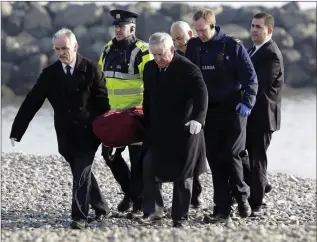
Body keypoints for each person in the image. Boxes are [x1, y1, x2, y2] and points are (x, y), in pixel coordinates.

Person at [10, 28, 112, 229]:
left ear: (75, 47)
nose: (60, 53)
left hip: (88, 132)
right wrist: (17, 131)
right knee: (80, 171)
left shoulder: (92, 69)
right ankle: (101, 207)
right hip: (64, 135)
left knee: (81, 171)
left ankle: (79, 217)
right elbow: (32, 102)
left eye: (64, 48)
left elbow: (103, 104)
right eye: (57, 49)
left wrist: (110, 135)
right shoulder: (50, 74)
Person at [185, 8, 258, 222]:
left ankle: (242, 197)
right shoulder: (194, 46)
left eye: (202, 30)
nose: (199, 34)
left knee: (232, 155)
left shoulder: (232, 46)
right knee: (215, 161)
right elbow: (189, 78)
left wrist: (247, 102)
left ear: (212, 25)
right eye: (196, 30)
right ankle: (222, 208)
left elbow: (250, 78)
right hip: (209, 111)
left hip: (234, 110)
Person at [141, 32, 208, 228]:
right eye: (154, 55)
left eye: (161, 54)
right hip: (158, 128)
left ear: (171, 50)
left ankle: (180, 217)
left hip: (185, 129)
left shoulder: (188, 69)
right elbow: (147, 97)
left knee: (183, 176)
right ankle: (155, 209)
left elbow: (202, 94)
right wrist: (146, 121)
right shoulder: (149, 68)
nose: (158, 59)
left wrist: (198, 119)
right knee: (148, 164)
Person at [98, 9, 152, 215]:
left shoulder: (143, 51)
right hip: (114, 115)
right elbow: (100, 79)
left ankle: (138, 205)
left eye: (122, 26)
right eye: (116, 26)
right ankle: (131, 193)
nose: (118, 29)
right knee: (109, 155)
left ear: (132, 28)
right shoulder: (108, 49)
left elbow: (152, 83)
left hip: (135, 115)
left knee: (137, 161)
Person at [246, 12, 284, 214]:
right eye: (252, 25)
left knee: (257, 159)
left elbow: (259, 87)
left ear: (269, 30)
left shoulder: (270, 53)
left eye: (258, 27)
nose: (253, 29)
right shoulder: (253, 49)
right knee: (239, 154)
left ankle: (257, 203)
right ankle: (262, 184)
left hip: (262, 117)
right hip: (251, 116)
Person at [170, 20, 207, 209]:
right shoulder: (173, 57)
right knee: (189, 154)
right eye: (174, 39)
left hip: (206, 108)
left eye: (180, 38)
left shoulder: (201, 52)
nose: (177, 43)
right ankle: (194, 195)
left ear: (190, 34)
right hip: (185, 113)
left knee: (205, 155)